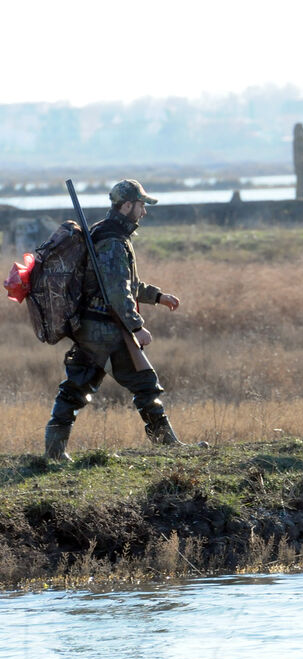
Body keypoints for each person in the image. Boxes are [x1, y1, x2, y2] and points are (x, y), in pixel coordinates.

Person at [44, 179, 184, 460]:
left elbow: (127, 284)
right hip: (105, 329)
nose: (144, 212)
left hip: (89, 327)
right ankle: (167, 447)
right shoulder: (111, 241)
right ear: (127, 205)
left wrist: (158, 296)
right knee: (144, 381)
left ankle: (54, 453)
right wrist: (137, 327)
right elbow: (117, 292)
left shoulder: (108, 236)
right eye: (141, 205)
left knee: (77, 385)